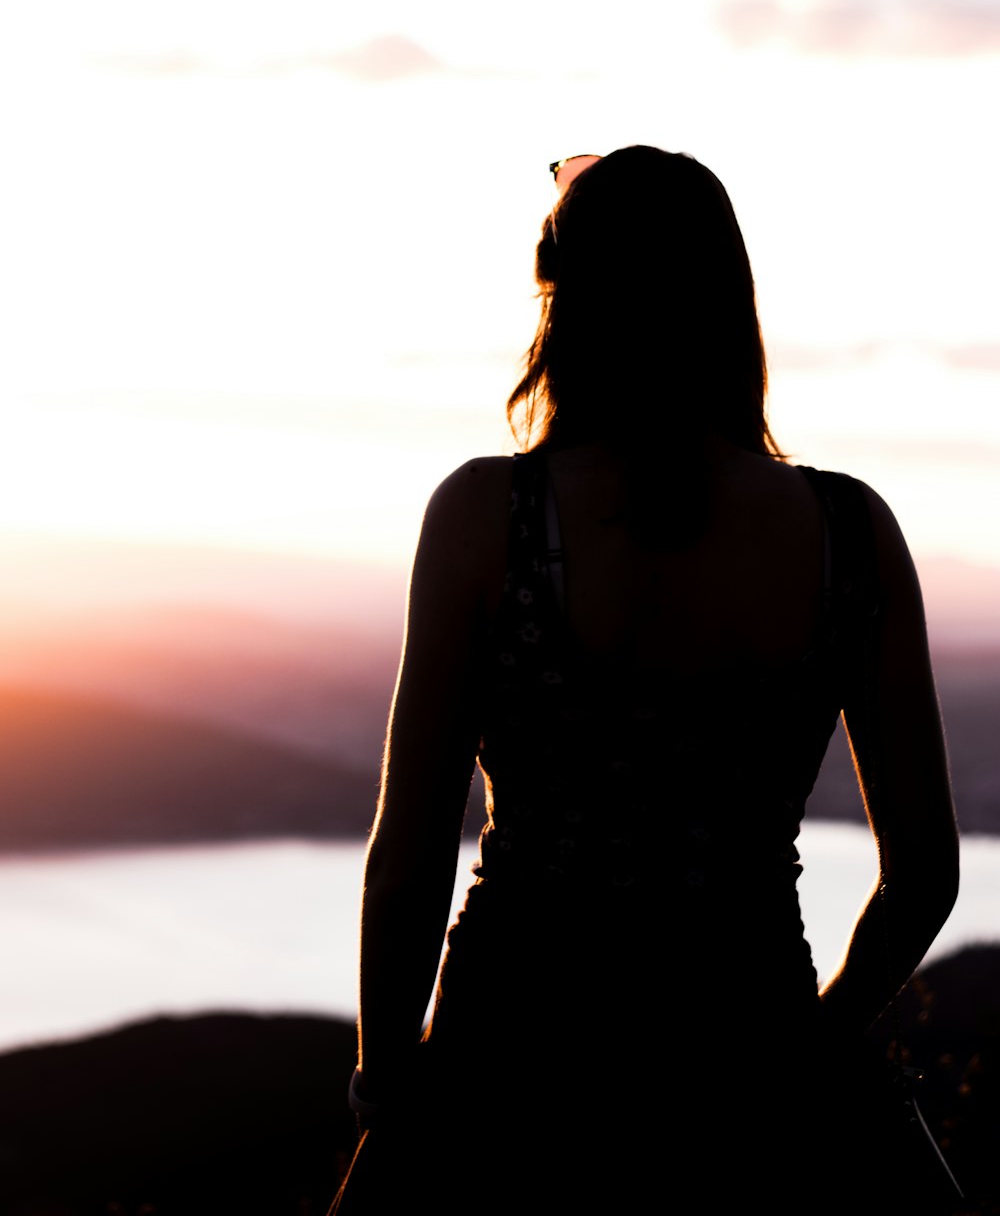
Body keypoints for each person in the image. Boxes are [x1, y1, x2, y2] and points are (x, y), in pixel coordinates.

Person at [332, 146, 960, 1215]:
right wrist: (812, 1040)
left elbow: (406, 860)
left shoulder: (490, 516)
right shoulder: (847, 532)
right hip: (748, 1066)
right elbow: (925, 873)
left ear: (566, 298)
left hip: (510, 1064)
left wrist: (388, 1078)